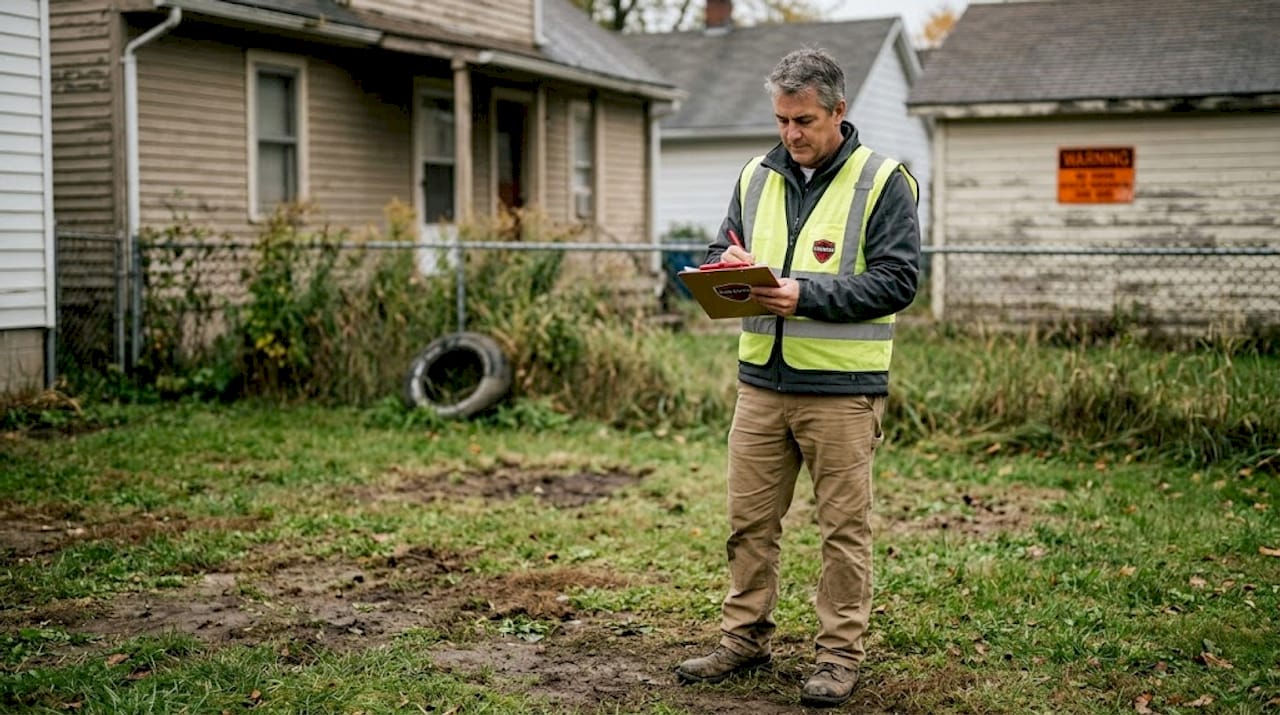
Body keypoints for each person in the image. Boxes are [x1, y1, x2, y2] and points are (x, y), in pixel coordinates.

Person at [674, 48, 921, 708]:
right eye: (782, 119)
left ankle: (839, 655)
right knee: (749, 520)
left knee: (843, 531)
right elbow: (713, 255)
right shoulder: (756, 176)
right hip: (760, 386)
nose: (791, 134)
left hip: (842, 394)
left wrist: (803, 294)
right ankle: (744, 637)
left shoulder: (882, 180)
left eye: (804, 120)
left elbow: (899, 280)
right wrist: (726, 266)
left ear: (839, 111)